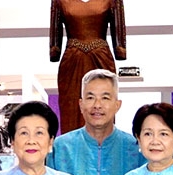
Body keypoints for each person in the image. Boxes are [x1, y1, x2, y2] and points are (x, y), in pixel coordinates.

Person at [49, 0, 127, 133]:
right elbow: (55, 40)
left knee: (104, 102)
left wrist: (120, 48)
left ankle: (105, 143)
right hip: (72, 61)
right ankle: (71, 144)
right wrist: (54, 50)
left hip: (101, 58)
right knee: (71, 109)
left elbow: (118, 31)